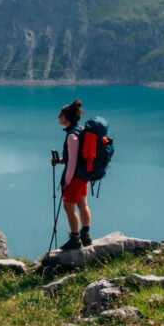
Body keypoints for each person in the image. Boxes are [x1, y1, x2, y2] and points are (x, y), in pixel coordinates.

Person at [56, 99, 92, 250]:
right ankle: (86, 235)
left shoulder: (71, 136)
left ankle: (75, 239)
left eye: (61, 115)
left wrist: (67, 181)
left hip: (74, 178)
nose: (59, 118)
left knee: (69, 207)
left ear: (67, 117)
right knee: (83, 204)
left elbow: (72, 163)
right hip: (83, 176)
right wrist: (60, 160)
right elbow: (74, 157)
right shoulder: (80, 131)